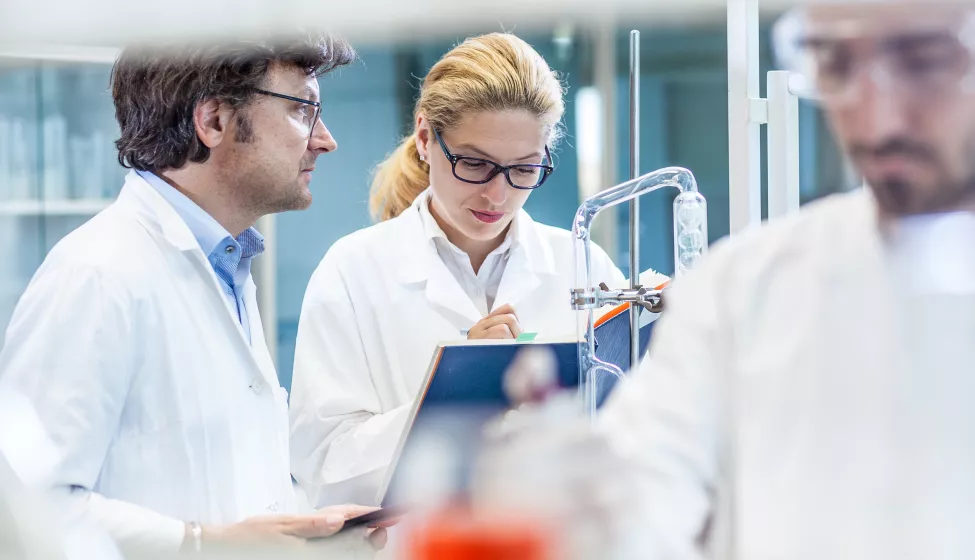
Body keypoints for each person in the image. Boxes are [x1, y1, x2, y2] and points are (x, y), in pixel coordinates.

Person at [571, 2, 975, 558]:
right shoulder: (741, 288)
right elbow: (632, 498)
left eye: (925, 61)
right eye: (836, 65)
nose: (875, 118)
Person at [0, 34, 387, 555]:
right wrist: (202, 543)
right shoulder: (96, 273)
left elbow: (222, 487)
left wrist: (306, 532)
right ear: (214, 122)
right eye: (304, 111)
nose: (325, 140)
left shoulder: (227, 265)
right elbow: (27, 506)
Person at [289, 32, 653, 507]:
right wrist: (457, 391)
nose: (497, 196)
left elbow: (634, 435)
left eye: (524, 169)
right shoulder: (353, 271)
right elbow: (322, 465)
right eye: (475, 165)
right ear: (425, 138)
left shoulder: (582, 265)